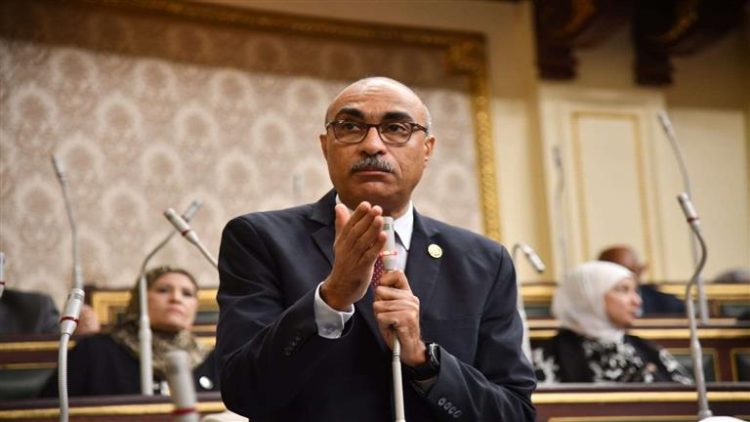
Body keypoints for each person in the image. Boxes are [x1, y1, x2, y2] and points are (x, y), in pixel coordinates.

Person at [216, 77, 536, 421]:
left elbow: (514, 413)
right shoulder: (260, 239)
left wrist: (424, 360)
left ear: (427, 150)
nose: (372, 145)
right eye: (350, 127)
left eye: (396, 128)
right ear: (326, 147)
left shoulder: (483, 261)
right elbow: (243, 390)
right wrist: (332, 299)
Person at [39, 266, 218, 396]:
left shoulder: (210, 360)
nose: (176, 298)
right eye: (163, 290)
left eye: (187, 294)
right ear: (139, 300)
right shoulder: (95, 351)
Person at [532, 261, 692, 384]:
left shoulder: (647, 349)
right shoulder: (547, 357)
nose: (637, 301)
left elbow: (687, 400)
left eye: (635, 290)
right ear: (590, 297)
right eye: (623, 290)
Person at [598, 245, 685, 316]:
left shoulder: (667, 304)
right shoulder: (593, 305)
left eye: (627, 273)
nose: (620, 279)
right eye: (611, 274)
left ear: (640, 271)